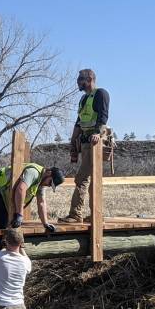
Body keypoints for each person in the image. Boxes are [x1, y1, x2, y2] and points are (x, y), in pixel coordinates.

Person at [59, 69, 110, 223]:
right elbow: (79, 121)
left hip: (96, 142)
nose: (78, 82)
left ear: (90, 79)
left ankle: (76, 214)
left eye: (81, 79)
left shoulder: (100, 94)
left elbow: (103, 116)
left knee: (82, 178)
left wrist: (99, 134)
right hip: (86, 143)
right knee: (90, 179)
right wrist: (73, 141)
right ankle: (96, 214)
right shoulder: (83, 99)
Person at [0, 163, 64, 230]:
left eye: (51, 185)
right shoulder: (34, 172)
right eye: (50, 182)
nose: (48, 185)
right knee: (3, 221)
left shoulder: (41, 182)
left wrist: (45, 223)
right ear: (49, 173)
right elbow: (21, 189)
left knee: (5, 220)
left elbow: (41, 202)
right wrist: (19, 214)